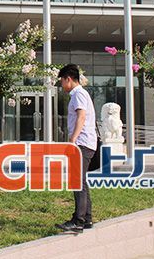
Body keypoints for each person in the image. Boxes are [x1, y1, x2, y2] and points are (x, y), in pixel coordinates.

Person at [55, 64, 97, 232]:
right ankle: (87, 219)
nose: (61, 85)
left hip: (82, 143)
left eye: (62, 81)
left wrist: (73, 139)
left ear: (68, 79)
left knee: (77, 181)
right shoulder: (81, 94)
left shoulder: (78, 94)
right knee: (81, 181)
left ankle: (78, 221)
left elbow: (81, 117)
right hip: (86, 143)